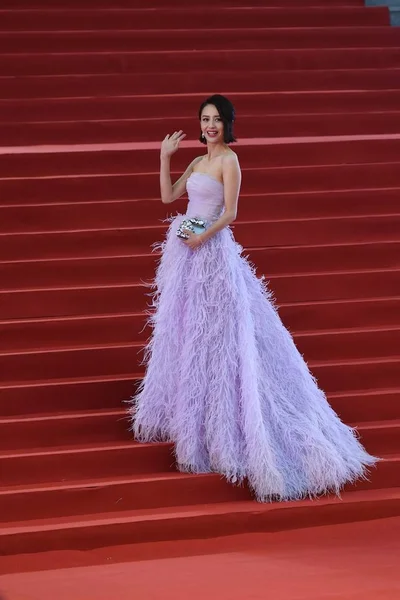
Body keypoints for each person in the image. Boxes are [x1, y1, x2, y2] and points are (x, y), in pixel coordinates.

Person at [129, 94, 377, 502]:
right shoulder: (196, 162)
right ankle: (195, 416)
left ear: (228, 124)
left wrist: (200, 237)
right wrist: (164, 157)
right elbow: (168, 198)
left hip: (211, 254)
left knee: (222, 334)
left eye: (217, 120)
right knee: (189, 330)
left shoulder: (229, 161)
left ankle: (237, 422)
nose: (210, 126)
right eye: (205, 119)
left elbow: (229, 213)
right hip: (185, 254)